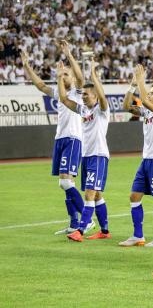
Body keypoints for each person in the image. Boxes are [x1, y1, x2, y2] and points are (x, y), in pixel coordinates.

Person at [21, 43, 93, 235]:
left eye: (65, 75)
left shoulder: (77, 92)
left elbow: (80, 77)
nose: (63, 77)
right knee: (66, 183)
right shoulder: (59, 92)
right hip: (60, 139)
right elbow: (41, 85)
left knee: (65, 183)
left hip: (73, 138)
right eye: (60, 75)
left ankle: (88, 220)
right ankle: (73, 223)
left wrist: (69, 54)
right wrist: (27, 67)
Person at [118, 64, 153, 247]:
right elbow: (126, 106)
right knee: (134, 196)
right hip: (147, 160)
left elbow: (143, 100)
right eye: (148, 93)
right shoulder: (147, 111)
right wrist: (133, 85)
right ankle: (138, 236)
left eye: (152, 93)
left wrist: (141, 80)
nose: (149, 95)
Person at [59, 62, 111, 242]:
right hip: (86, 156)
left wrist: (94, 75)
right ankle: (104, 230)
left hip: (98, 155)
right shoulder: (83, 109)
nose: (84, 97)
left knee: (89, 193)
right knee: (96, 195)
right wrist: (59, 78)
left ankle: (80, 230)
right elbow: (65, 100)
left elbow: (103, 97)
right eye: (82, 94)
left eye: (86, 94)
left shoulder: (102, 110)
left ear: (95, 95)